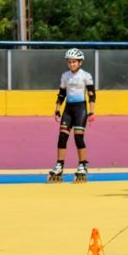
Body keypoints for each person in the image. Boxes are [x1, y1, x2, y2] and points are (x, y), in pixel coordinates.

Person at [48, 47, 96, 183]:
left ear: (80, 62)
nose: (71, 64)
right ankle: (59, 165)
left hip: (81, 108)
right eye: (69, 62)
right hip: (68, 110)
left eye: (74, 62)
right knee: (62, 137)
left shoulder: (86, 76)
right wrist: (57, 109)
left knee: (78, 137)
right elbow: (61, 94)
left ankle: (82, 165)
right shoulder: (65, 75)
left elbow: (92, 95)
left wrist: (92, 111)